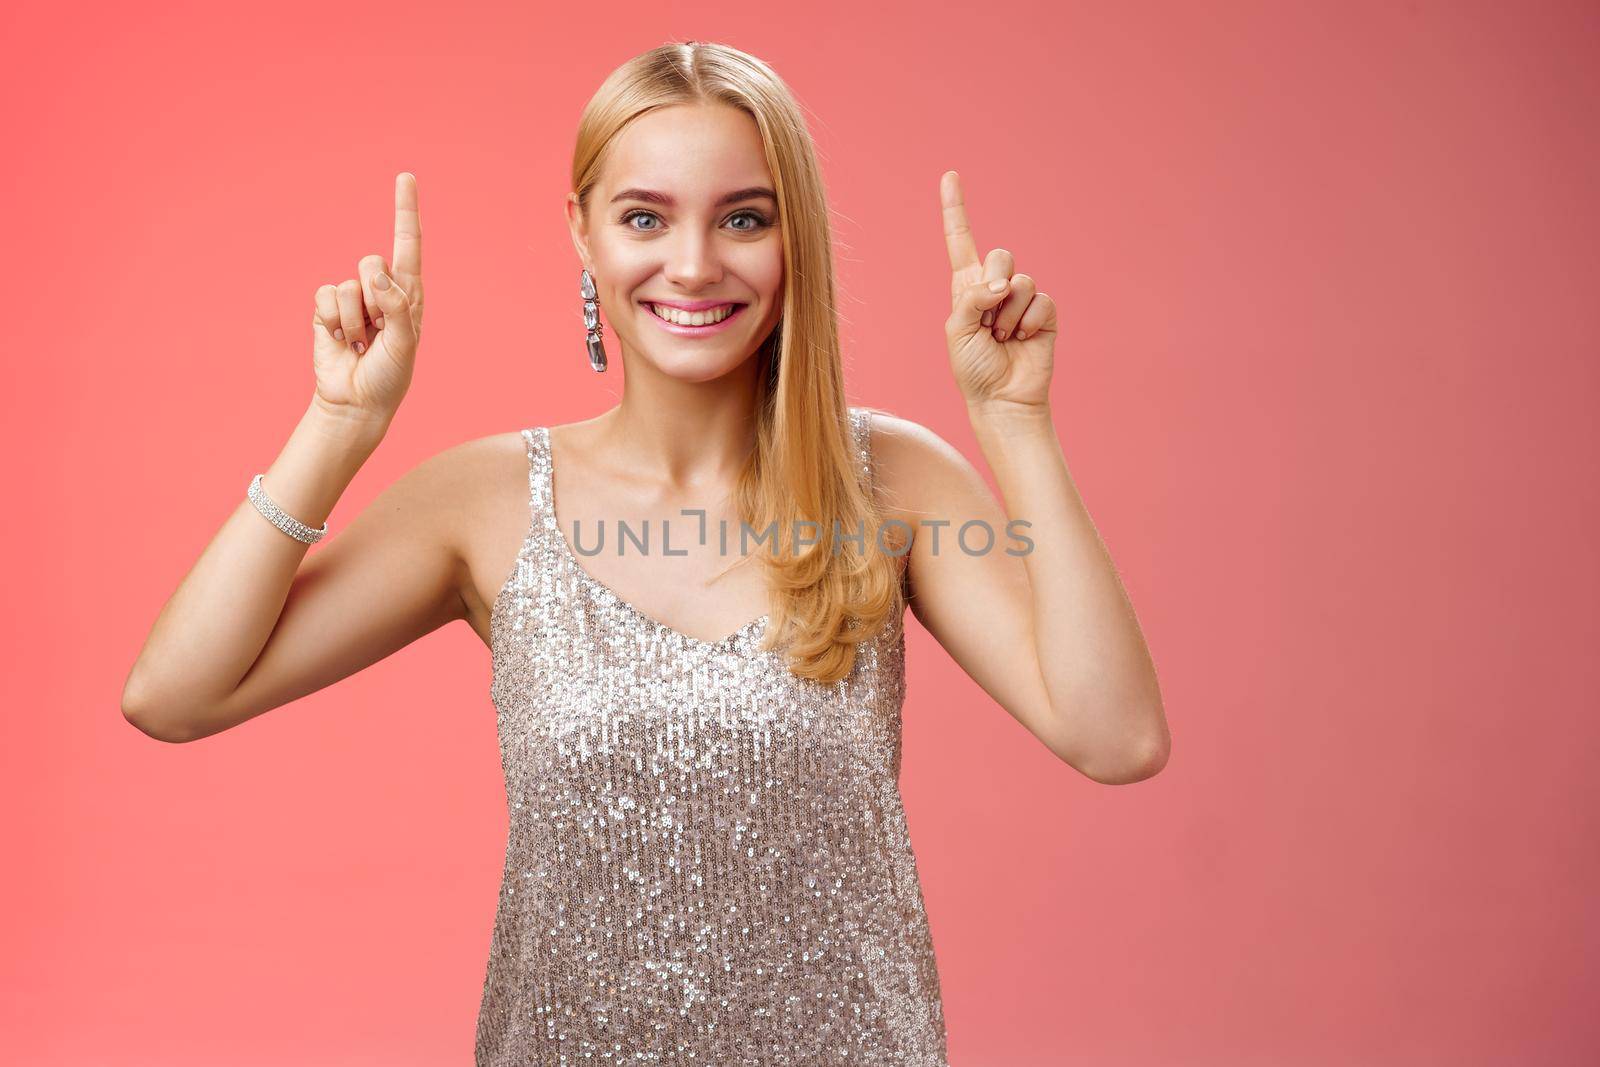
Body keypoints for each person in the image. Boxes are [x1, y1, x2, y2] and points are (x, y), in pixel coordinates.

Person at [121, 40, 1169, 1067]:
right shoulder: (485, 502)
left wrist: (1013, 418)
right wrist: (337, 425)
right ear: (582, 233)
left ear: (792, 235)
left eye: (743, 218)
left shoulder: (887, 479)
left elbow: (1114, 735)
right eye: (644, 217)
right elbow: (173, 694)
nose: (694, 264)